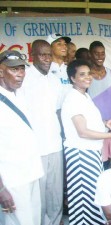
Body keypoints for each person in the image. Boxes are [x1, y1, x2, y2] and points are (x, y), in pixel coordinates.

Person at [61, 59, 111, 225]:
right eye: (82, 74)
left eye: (89, 73)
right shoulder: (73, 98)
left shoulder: (84, 95)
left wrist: (106, 125)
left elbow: (89, 123)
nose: (87, 77)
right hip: (81, 155)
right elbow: (83, 132)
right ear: (72, 78)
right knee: (85, 200)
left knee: (90, 198)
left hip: (90, 153)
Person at [19, 40, 64, 225]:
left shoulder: (53, 79)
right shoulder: (24, 78)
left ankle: (55, 221)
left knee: (55, 191)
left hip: (55, 144)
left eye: (48, 55)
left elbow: (59, 110)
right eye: (42, 55)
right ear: (32, 56)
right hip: (35, 147)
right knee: (38, 195)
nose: (46, 58)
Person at [0, 50, 44, 225]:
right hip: (12, 181)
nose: (20, 74)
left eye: (21, 69)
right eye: (14, 69)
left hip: (31, 173)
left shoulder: (21, 95)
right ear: (1, 71)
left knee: (34, 220)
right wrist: (1, 189)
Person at [88, 41, 111, 170]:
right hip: (97, 127)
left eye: (102, 53)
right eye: (96, 54)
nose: (100, 56)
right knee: (101, 165)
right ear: (90, 55)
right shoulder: (87, 77)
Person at [46, 33, 72, 100]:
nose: (64, 47)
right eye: (59, 44)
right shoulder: (46, 70)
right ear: (50, 48)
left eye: (65, 44)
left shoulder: (70, 69)